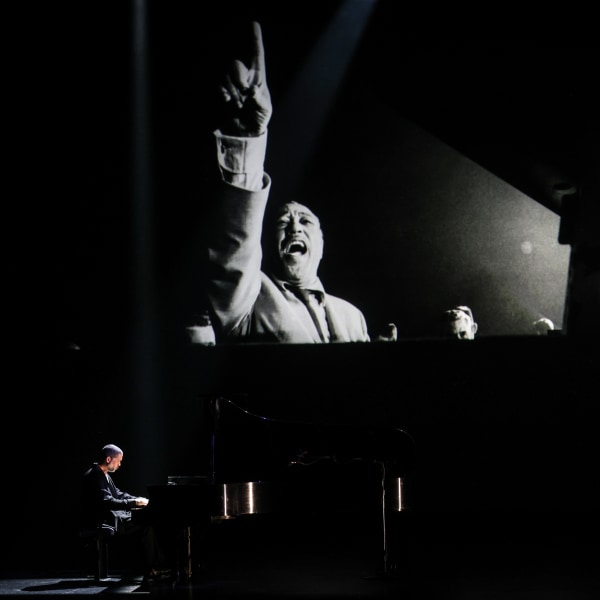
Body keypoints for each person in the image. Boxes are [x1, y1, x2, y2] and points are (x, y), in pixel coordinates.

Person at [205, 21, 392, 344]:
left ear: (321, 244)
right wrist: (248, 137)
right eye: (282, 221)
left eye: (305, 221)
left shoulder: (352, 316)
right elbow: (234, 245)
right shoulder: (247, 298)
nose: (294, 228)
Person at [79, 444, 173, 584]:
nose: (120, 464)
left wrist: (137, 499)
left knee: (148, 521)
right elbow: (107, 502)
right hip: (102, 520)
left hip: (109, 516)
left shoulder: (103, 474)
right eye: (119, 461)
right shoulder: (95, 475)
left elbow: (118, 494)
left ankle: (157, 566)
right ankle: (152, 570)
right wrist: (134, 503)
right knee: (146, 524)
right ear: (109, 459)